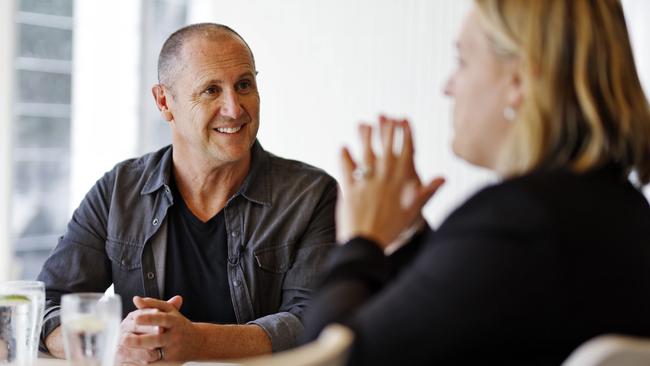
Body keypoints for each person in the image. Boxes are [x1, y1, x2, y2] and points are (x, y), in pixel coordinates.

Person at [302, 1, 650, 365]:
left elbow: (331, 359)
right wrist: (407, 236)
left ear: (517, 82)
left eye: (462, 62)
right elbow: (451, 314)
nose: (447, 87)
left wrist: (361, 239)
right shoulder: (625, 213)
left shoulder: (518, 224)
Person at [37, 23, 337, 363]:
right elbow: (46, 306)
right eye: (211, 90)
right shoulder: (118, 191)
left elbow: (313, 320)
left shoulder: (312, 195)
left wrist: (199, 341)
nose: (235, 109)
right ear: (165, 102)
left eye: (244, 85)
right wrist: (109, 341)